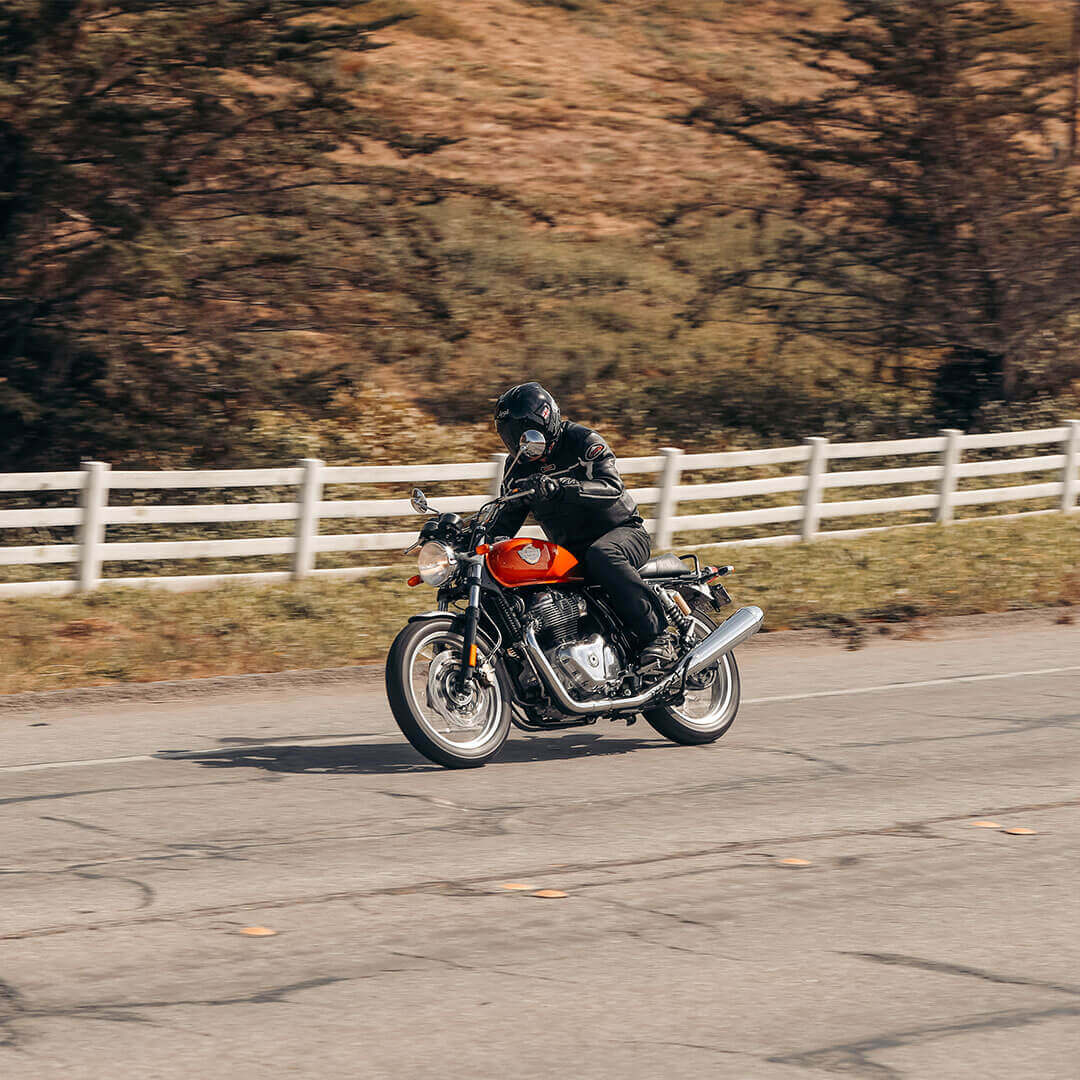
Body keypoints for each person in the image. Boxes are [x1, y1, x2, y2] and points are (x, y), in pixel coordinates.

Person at [490, 382, 675, 673]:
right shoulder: (518, 468)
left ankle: (658, 637)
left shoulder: (582, 440)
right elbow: (505, 518)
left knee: (603, 554)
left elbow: (611, 487)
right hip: (571, 551)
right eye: (511, 436)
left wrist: (563, 487)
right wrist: (465, 538)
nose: (519, 442)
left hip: (622, 532)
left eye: (525, 431)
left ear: (547, 418)